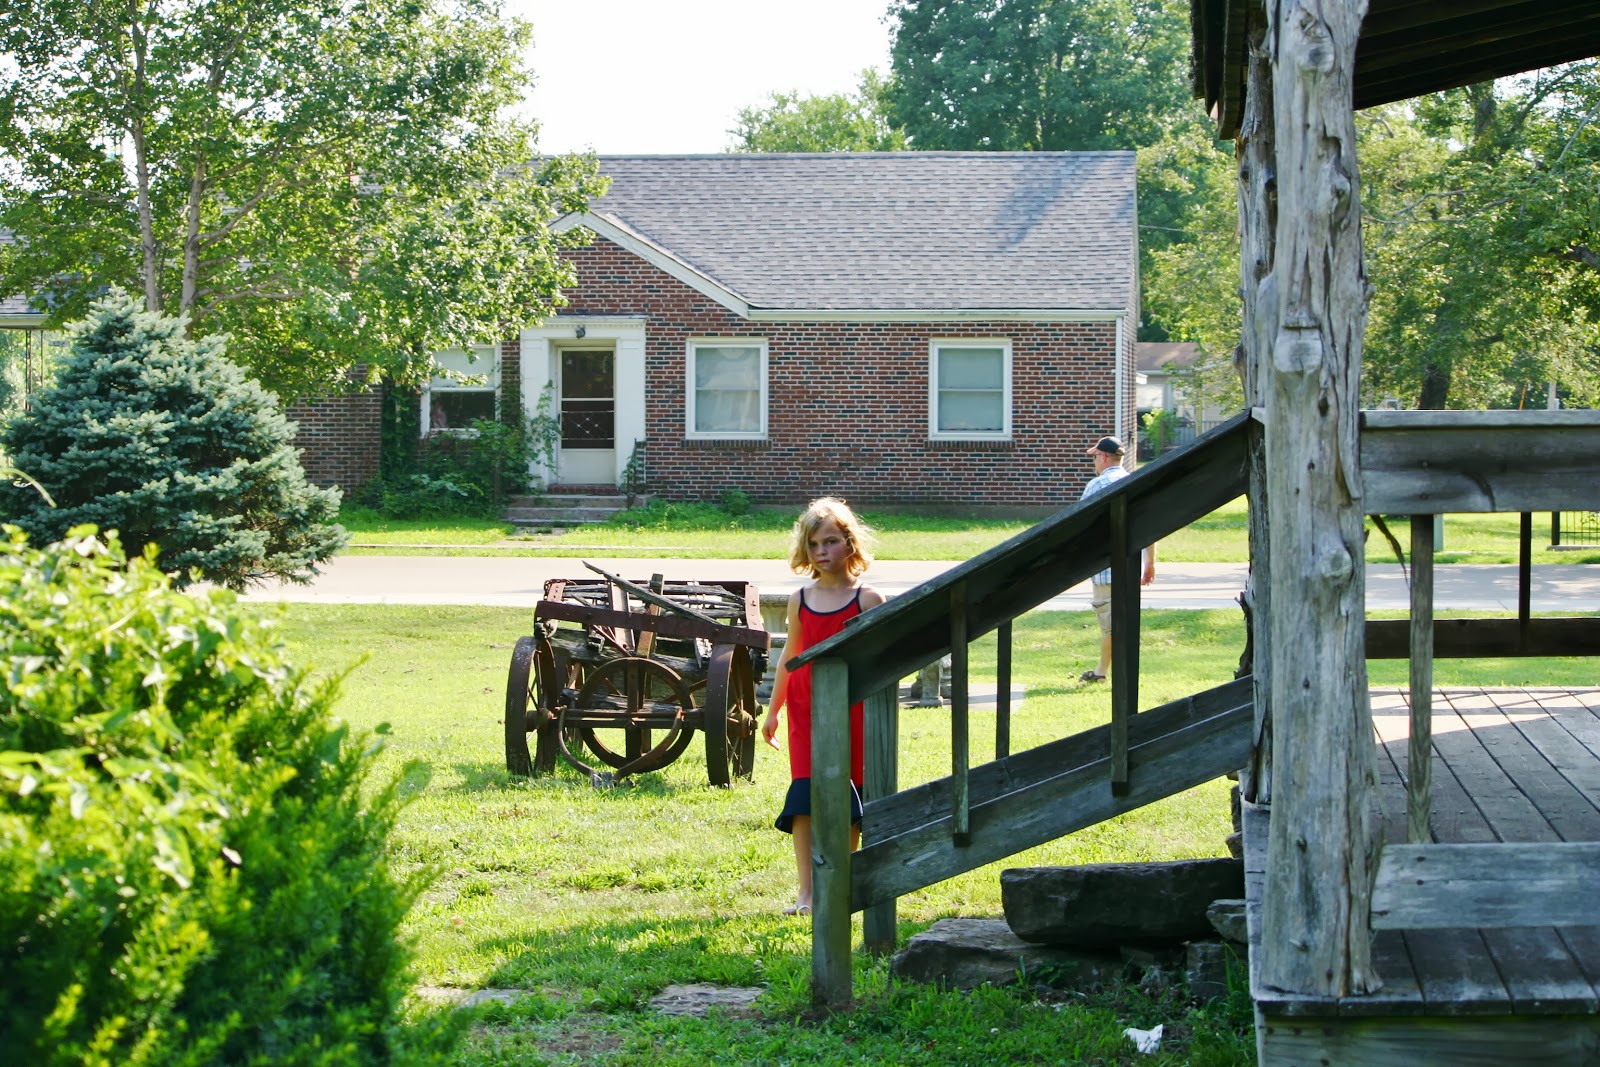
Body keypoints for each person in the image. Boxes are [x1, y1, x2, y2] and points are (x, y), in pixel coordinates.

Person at [760, 497, 884, 917]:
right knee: (806, 798)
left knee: (848, 797)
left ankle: (841, 885)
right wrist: (772, 710)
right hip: (805, 710)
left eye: (831, 541)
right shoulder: (800, 599)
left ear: (850, 543)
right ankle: (807, 894)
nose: (822, 552)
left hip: (852, 709)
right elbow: (789, 658)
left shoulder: (868, 599)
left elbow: (883, 661)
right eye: (814, 544)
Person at [1078, 435, 1156, 682]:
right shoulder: (1135, 483)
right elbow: (1149, 527)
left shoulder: (1096, 486)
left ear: (1103, 457)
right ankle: (1112, 671)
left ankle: (1101, 673)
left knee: (1110, 626)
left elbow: (1079, 526)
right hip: (1130, 566)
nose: (1094, 463)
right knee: (1122, 621)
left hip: (1105, 569)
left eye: (1095, 457)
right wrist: (1149, 563)